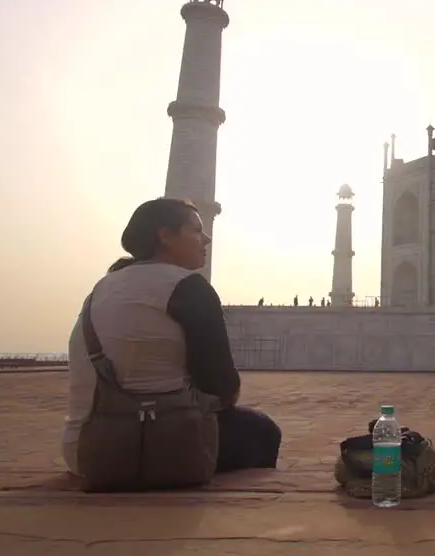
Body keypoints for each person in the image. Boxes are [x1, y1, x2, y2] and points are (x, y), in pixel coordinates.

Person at [61, 197, 281, 477]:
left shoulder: (103, 287)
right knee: (259, 430)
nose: (206, 239)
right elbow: (223, 388)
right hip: (153, 450)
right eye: (196, 231)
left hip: (84, 451)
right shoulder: (188, 287)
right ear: (165, 236)